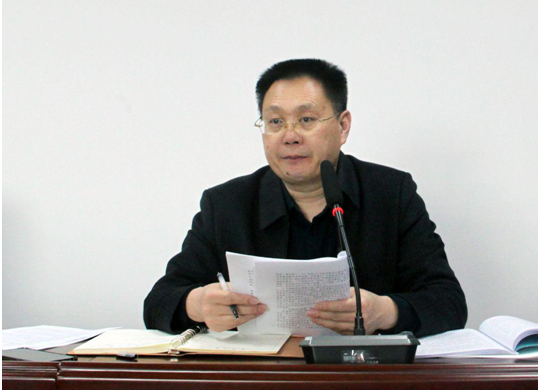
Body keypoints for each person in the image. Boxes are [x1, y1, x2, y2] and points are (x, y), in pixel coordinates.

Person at [144, 59, 467, 337]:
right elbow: (158, 302)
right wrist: (198, 304)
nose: (290, 136)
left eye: (306, 120)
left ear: (342, 126)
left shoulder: (391, 193)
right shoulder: (227, 204)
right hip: (264, 377)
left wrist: (384, 312)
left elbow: (448, 301)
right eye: (275, 122)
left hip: (360, 374)